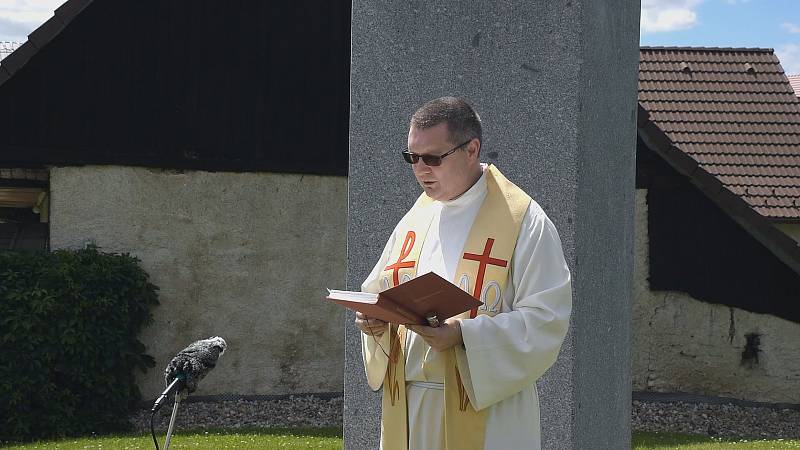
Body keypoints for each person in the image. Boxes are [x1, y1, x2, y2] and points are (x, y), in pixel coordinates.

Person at [355, 96, 572, 450]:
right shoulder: (417, 218)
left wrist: (464, 336)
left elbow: (547, 320)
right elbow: (381, 290)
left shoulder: (524, 222)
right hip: (409, 411)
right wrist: (375, 321)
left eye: (433, 158)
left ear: (471, 149)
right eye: (412, 157)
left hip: (488, 415)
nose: (421, 169)